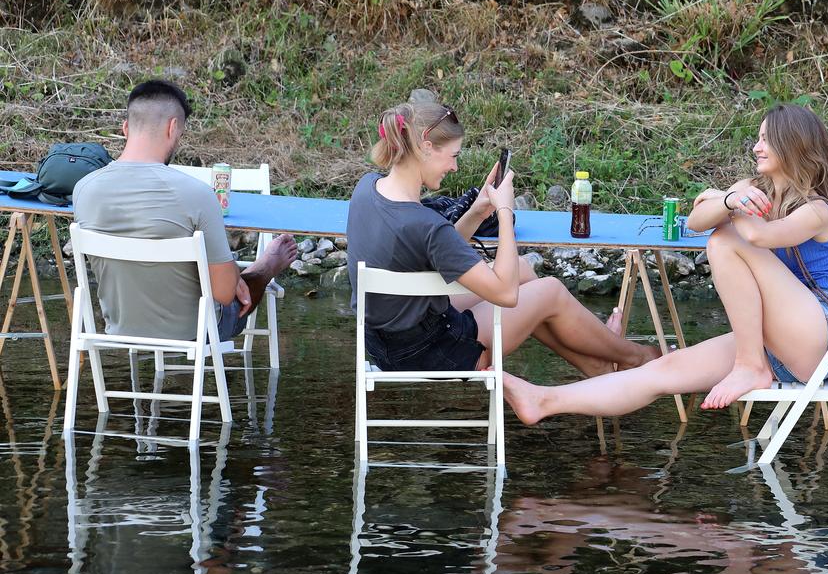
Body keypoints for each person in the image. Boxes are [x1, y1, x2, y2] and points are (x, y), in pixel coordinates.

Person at [499, 103, 828, 425]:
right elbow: (696, 220)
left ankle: (750, 366)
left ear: (792, 145)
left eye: (766, 139)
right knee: (664, 369)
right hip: (774, 338)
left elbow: (757, 237)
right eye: (758, 138)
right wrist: (729, 198)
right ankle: (544, 400)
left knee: (725, 239)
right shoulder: (753, 189)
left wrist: (723, 201)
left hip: (819, 338)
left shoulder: (818, 210)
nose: (756, 147)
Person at [345, 99, 657, 385]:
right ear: (426, 146)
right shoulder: (424, 224)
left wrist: (479, 212)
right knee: (548, 291)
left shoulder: (367, 187)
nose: (454, 167)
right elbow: (506, 294)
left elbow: (432, 248)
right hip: (432, 356)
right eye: (452, 156)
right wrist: (505, 212)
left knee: (521, 269)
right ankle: (637, 357)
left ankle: (599, 366)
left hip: (383, 344)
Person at [73, 79, 297, 343]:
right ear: (172, 127)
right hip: (195, 332)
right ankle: (266, 266)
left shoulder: (83, 190)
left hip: (117, 329)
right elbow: (225, 295)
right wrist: (237, 275)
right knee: (238, 289)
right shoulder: (197, 195)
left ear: (125, 128)